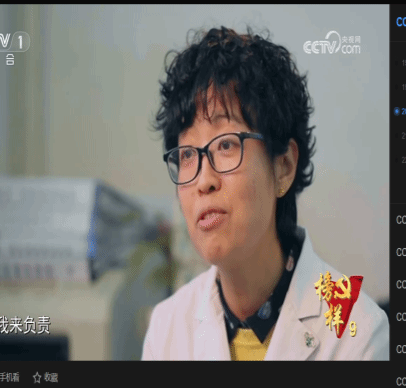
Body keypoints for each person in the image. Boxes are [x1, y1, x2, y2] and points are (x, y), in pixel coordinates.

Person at [142, 26, 389, 360]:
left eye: (226, 145)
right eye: (187, 154)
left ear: (283, 166)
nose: (203, 180)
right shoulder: (166, 327)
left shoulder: (358, 328)